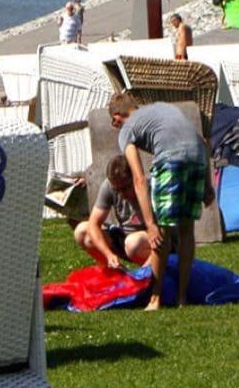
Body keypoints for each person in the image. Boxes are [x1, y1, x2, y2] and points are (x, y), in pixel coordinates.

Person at [109, 92, 212, 309]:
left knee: (161, 235)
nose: (115, 126)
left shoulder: (127, 129)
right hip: (197, 159)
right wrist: (208, 185)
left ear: (117, 117)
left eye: (113, 122)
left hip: (170, 161)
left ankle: (155, 299)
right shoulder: (161, 108)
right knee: (186, 230)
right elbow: (203, 143)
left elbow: (138, 178)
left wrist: (150, 225)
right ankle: (182, 299)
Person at [73, 155, 152, 271]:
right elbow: (93, 224)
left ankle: (150, 273)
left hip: (147, 244)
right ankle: (114, 272)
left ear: (135, 177)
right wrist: (108, 254)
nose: (121, 194)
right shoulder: (108, 185)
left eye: (125, 188)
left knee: (133, 243)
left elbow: (164, 236)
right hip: (124, 238)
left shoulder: (150, 189)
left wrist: (141, 273)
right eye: (117, 190)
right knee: (82, 231)